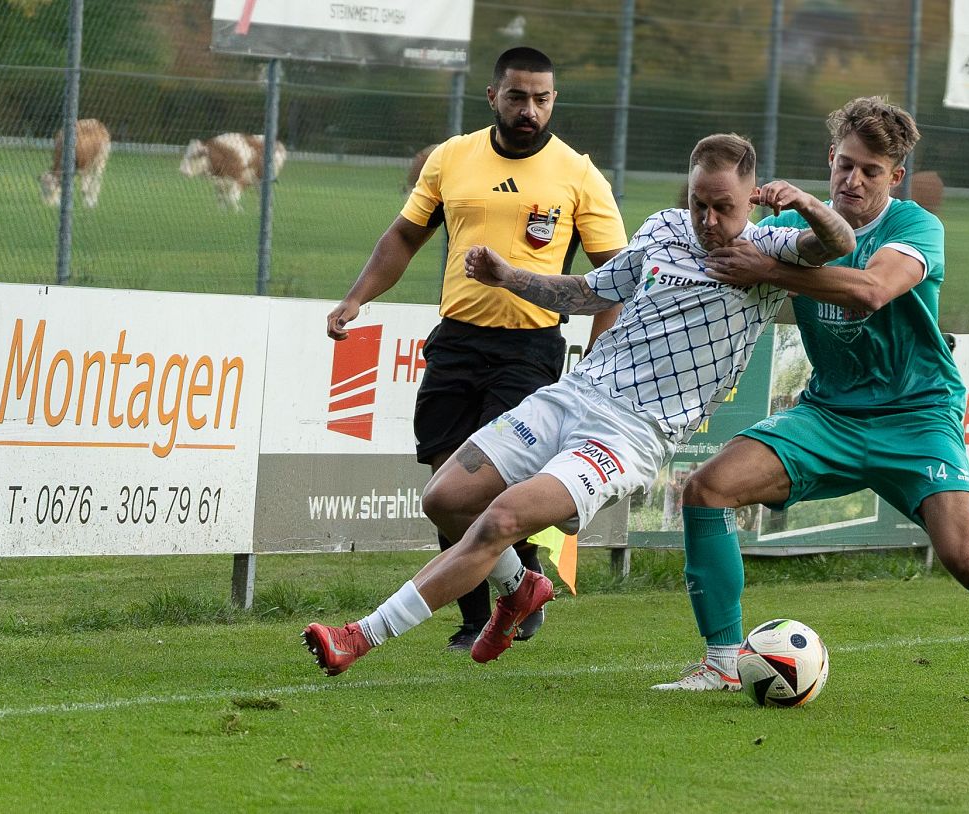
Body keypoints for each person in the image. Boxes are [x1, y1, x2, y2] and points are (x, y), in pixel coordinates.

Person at [303, 133, 857, 676]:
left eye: (723, 207)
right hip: (573, 395)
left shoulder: (766, 251)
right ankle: (521, 588)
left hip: (630, 434)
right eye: (699, 204)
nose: (709, 220)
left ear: (754, 195)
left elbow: (838, 244)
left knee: (502, 518)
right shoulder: (663, 229)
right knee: (446, 498)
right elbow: (591, 292)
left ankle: (361, 635)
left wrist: (806, 202)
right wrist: (508, 277)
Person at [651, 97, 969, 708]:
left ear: (894, 177)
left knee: (967, 559)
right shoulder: (793, 231)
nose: (853, 179)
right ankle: (721, 661)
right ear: (830, 159)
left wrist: (769, 269)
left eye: (870, 170)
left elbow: (870, 290)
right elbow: (722, 243)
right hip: (830, 415)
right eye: (845, 164)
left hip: (918, 414)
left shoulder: (916, 227)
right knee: (705, 489)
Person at [325, 47, 629, 652]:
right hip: (456, 340)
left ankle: (499, 608)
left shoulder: (578, 174)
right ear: (493, 96)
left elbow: (614, 280)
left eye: (542, 98)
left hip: (529, 349)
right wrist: (356, 298)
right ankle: (505, 596)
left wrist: (597, 362)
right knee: (444, 483)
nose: (529, 109)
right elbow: (404, 236)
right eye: (517, 96)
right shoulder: (452, 157)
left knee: (485, 483)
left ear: (553, 101)